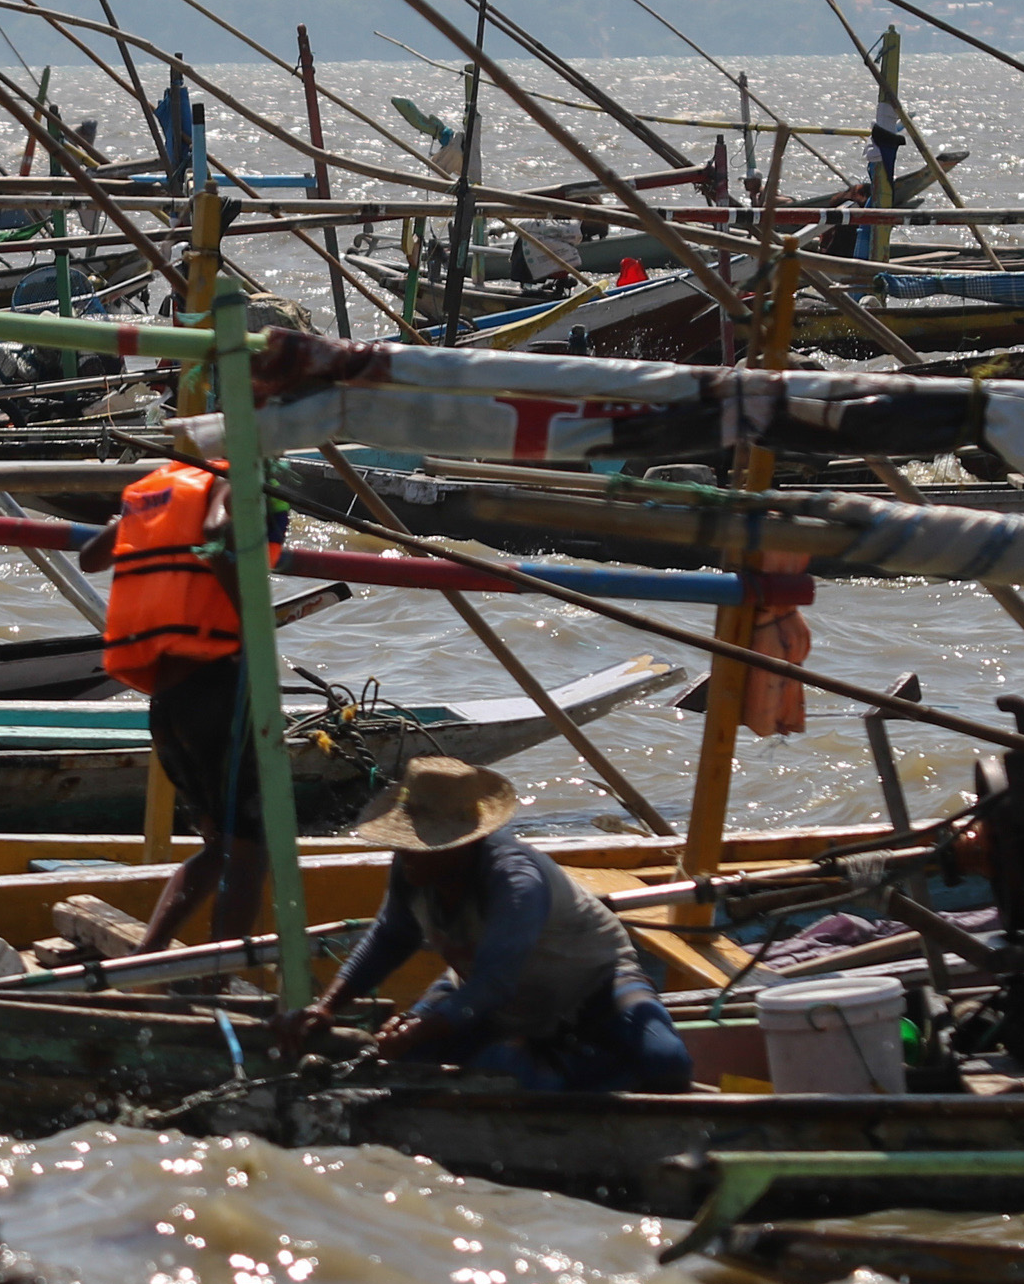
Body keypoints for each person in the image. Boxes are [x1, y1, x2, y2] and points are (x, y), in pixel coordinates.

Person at [279, 757, 694, 1094]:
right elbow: (391, 938)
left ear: (464, 843)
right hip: (479, 994)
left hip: (593, 986)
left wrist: (418, 1030)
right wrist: (327, 1007)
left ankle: (555, 1071)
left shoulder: (515, 881)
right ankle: (545, 1068)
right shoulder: (412, 869)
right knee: (402, 1070)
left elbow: (496, 983)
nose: (405, 855)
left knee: (666, 1065)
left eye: (422, 844)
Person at [77, 459, 277, 952]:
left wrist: (141, 527)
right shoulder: (229, 480)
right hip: (211, 691)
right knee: (251, 849)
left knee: (222, 844)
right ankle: (219, 974)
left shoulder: (155, 491)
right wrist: (252, 614)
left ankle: (150, 954)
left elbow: (89, 557)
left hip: (166, 700)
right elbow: (213, 534)